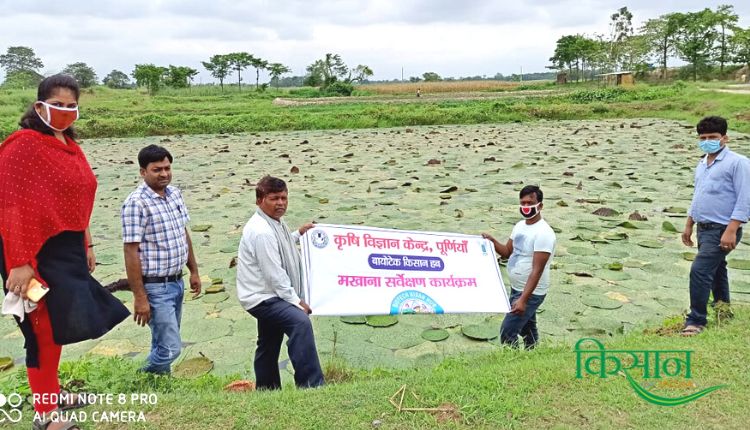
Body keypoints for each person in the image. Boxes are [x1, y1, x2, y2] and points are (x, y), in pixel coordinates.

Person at [0, 74, 129, 430]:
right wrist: (21, 263)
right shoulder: (22, 145)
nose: (66, 111)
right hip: (32, 251)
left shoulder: (70, 146)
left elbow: (78, 198)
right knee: (40, 331)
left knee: (56, 328)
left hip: (67, 247)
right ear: (40, 105)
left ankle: (51, 394)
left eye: (72, 106)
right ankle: (46, 417)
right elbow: (9, 206)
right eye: (58, 104)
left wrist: (86, 242)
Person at [236, 176, 324, 389]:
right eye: (274, 198)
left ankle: (267, 389)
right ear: (260, 200)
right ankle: (311, 385)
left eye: (284, 198)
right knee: (300, 322)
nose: (281, 203)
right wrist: (296, 301)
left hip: (269, 294)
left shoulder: (274, 222)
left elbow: (281, 245)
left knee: (269, 341)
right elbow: (274, 275)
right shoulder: (261, 231)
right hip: (263, 298)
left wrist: (298, 234)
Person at [121, 145, 202, 374]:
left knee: (161, 342)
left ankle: (159, 383)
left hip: (176, 281)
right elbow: (130, 251)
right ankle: (139, 378)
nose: (164, 174)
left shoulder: (174, 193)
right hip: (155, 286)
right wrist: (140, 296)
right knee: (170, 348)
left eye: (167, 168)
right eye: (157, 169)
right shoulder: (136, 203)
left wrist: (193, 271)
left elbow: (182, 233)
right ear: (142, 172)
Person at [681, 116, 750, 336]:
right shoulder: (702, 164)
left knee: (699, 271)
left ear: (725, 138)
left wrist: (732, 229)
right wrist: (689, 225)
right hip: (703, 227)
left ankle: (696, 321)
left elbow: (745, 198)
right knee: (718, 270)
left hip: (723, 228)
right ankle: (724, 311)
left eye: (713, 137)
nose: (708, 141)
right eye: (703, 138)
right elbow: (697, 196)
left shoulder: (738, 163)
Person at [482, 185, 556, 349]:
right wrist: (492, 241)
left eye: (530, 203)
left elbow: (537, 271)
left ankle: (511, 363)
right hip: (517, 288)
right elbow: (507, 252)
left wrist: (523, 299)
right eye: (523, 203)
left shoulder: (544, 233)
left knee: (508, 331)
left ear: (540, 205)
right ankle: (533, 354)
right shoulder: (520, 226)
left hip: (531, 292)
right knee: (528, 328)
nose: (526, 207)